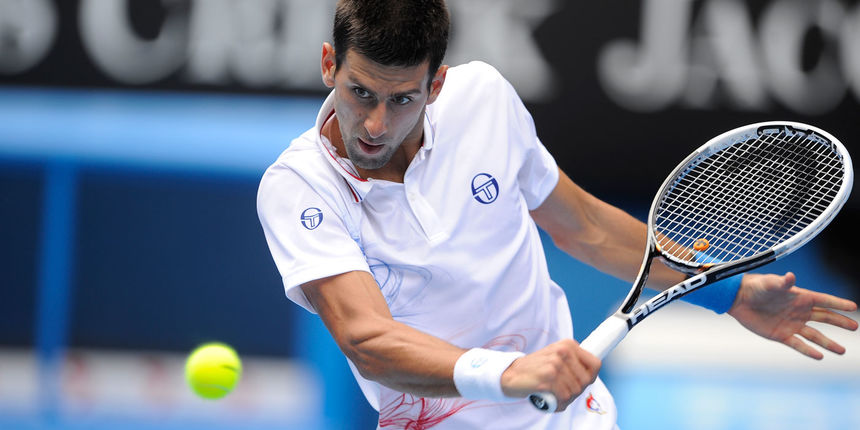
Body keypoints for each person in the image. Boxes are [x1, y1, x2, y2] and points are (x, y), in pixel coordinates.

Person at [256, 0, 859, 428]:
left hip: (571, 419)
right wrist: (509, 374)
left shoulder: (483, 97)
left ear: (436, 85)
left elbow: (585, 226)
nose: (376, 123)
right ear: (330, 64)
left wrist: (727, 293)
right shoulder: (298, 187)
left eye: (402, 99)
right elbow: (368, 339)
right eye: (361, 92)